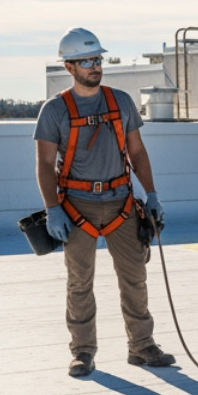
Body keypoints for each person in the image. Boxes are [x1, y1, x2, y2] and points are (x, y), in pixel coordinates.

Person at [35, 27, 175, 377]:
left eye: (97, 59)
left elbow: (137, 151)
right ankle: (83, 351)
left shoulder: (121, 102)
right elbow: (43, 164)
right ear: (69, 67)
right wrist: (53, 208)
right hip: (76, 207)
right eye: (86, 61)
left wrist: (152, 194)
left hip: (121, 205)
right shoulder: (55, 111)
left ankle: (142, 346)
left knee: (135, 279)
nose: (95, 66)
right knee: (79, 283)